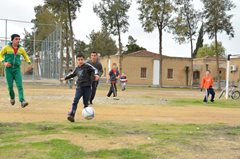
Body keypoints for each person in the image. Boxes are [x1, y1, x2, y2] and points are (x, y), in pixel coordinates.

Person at [60, 54, 99, 122]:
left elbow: (94, 70)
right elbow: (72, 74)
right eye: (79, 60)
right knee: (75, 101)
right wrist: (65, 78)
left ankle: (88, 115)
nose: (80, 61)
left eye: (81, 60)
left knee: (86, 103)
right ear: (76, 61)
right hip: (79, 88)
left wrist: (95, 76)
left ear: (84, 60)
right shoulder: (77, 69)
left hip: (87, 88)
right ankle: (71, 115)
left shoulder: (88, 67)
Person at [0, 34, 31, 108]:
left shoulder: (21, 49)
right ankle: (12, 98)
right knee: (10, 87)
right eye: (16, 39)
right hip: (8, 70)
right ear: (12, 40)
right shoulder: (6, 48)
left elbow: (25, 55)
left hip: (17, 70)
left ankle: (22, 101)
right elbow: (0, 55)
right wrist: (4, 62)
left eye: (19, 39)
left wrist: (28, 61)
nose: (18, 40)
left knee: (20, 86)